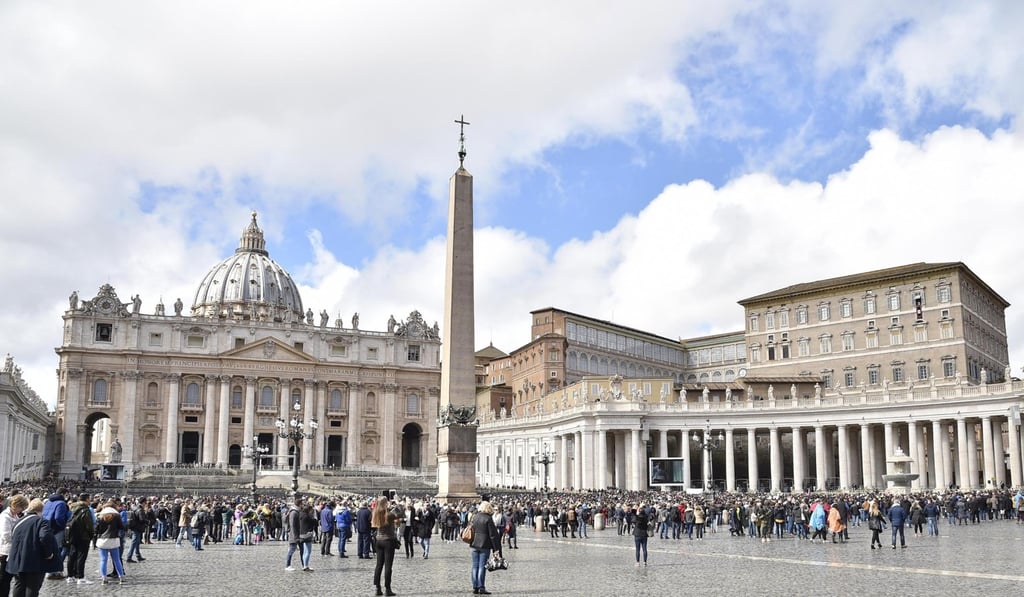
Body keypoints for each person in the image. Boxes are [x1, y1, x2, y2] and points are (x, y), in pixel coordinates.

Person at [7, 498, 61, 597]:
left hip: (18, 559)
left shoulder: (19, 521)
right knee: (32, 587)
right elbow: (45, 537)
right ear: (40, 510)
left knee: (19, 585)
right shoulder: (41, 521)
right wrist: (48, 554)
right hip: (33, 560)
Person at [0, 494, 30, 596]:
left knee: (10, 579)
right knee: (4, 580)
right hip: (5, 551)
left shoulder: (15, 515)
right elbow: (6, 535)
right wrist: (19, 540)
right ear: (16, 505)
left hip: (13, 551)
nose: (22, 510)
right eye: (22, 508)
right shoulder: (5, 516)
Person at [469, 501, 501, 595]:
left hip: (474, 544)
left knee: (475, 566)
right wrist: (496, 549)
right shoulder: (488, 519)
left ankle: (475, 586)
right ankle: (481, 587)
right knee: (482, 567)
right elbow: (492, 535)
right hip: (484, 545)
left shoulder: (475, 517)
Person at [65, 493, 95, 584]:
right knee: (81, 556)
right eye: (89, 498)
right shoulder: (85, 510)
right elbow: (89, 525)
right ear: (86, 499)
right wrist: (91, 535)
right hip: (83, 536)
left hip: (73, 535)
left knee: (72, 555)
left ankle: (70, 576)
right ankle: (80, 577)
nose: (90, 500)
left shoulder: (73, 508)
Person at [40, 490, 71, 580]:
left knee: (51, 550)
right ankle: (55, 571)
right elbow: (58, 517)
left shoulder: (48, 502)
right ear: (63, 494)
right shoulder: (61, 503)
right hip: (57, 529)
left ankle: (50, 570)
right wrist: (62, 525)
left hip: (48, 527)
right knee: (60, 549)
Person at [372, 497, 399, 596]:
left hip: (379, 540)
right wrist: (396, 505)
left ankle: (377, 588)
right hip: (388, 540)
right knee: (388, 566)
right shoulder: (389, 514)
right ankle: (388, 589)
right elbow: (400, 516)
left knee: (379, 565)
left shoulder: (375, 513)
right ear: (385, 503)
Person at [93, 502, 125, 585]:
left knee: (103, 560)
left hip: (102, 540)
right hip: (113, 539)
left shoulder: (100, 516)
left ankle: (104, 578)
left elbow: (96, 530)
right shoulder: (117, 516)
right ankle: (121, 577)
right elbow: (121, 527)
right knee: (116, 559)